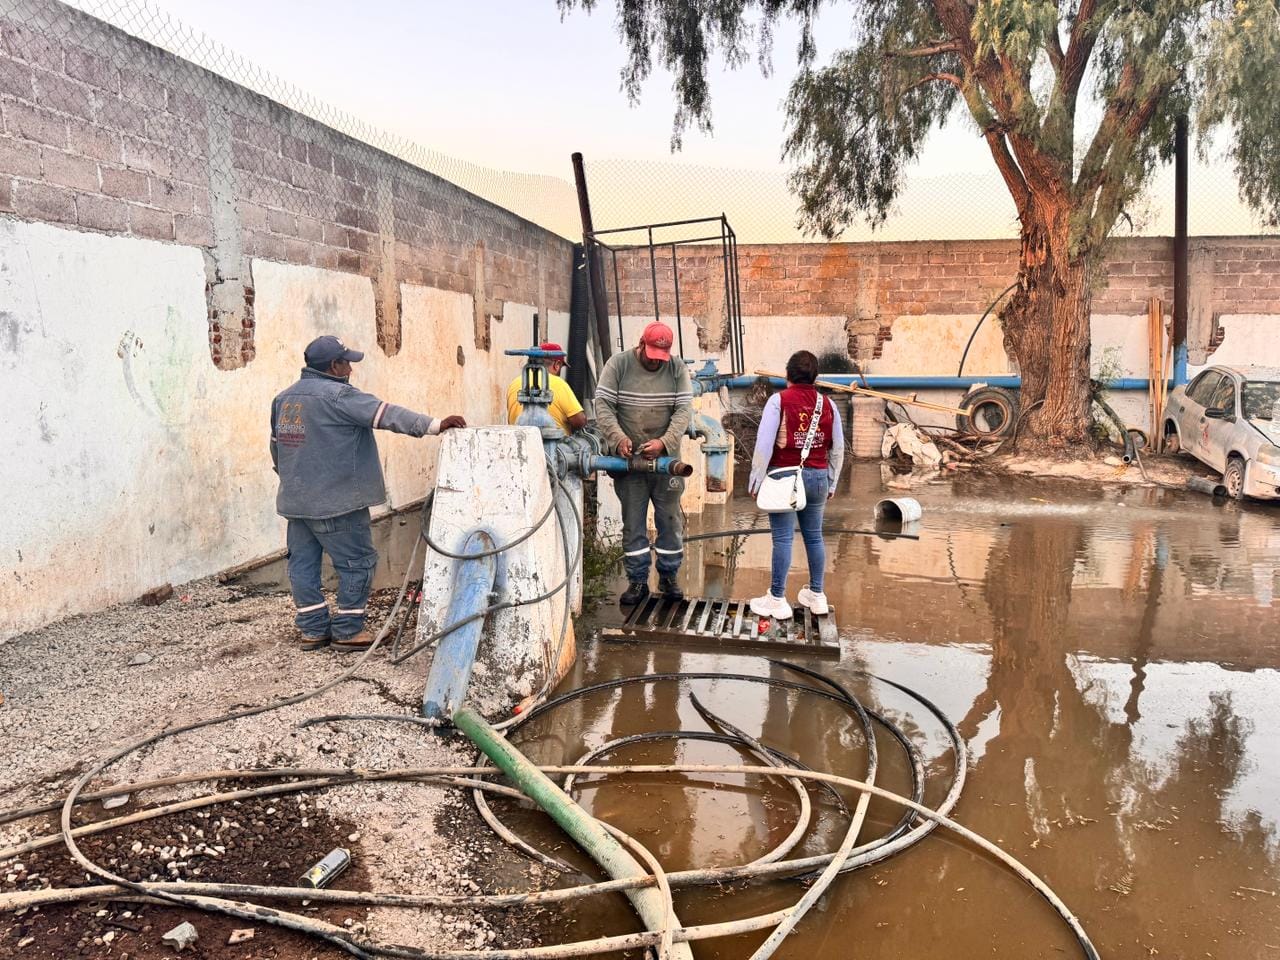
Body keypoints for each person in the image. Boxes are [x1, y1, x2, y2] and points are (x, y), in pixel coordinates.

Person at [270, 335, 466, 652]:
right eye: (347, 362)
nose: (350, 369)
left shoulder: (284, 399)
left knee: (302, 566)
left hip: (295, 502)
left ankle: (313, 630)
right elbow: (387, 414)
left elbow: (276, 448)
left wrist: (292, 479)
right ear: (334, 366)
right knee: (357, 563)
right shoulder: (340, 396)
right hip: (338, 503)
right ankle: (348, 630)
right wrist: (435, 425)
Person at [595, 321, 693, 606]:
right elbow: (603, 406)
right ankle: (637, 581)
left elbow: (683, 410)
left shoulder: (676, 369)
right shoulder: (619, 365)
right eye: (651, 354)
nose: (655, 361)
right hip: (630, 464)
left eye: (660, 356)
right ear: (641, 344)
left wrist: (664, 442)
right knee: (633, 523)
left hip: (667, 463)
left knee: (670, 520)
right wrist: (618, 438)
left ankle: (669, 577)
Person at [747, 350, 844, 620]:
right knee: (814, 536)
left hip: (784, 477)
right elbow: (838, 448)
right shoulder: (829, 405)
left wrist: (755, 478)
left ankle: (777, 599)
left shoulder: (778, 401)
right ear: (815, 377)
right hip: (818, 477)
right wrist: (832, 480)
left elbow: (764, 445)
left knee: (783, 538)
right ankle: (817, 595)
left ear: (788, 375)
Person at [505, 341, 587, 433]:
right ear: (557, 365)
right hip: (554, 445)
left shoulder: (514, 384)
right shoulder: (559, 384)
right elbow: (579, 421)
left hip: (520, 443)